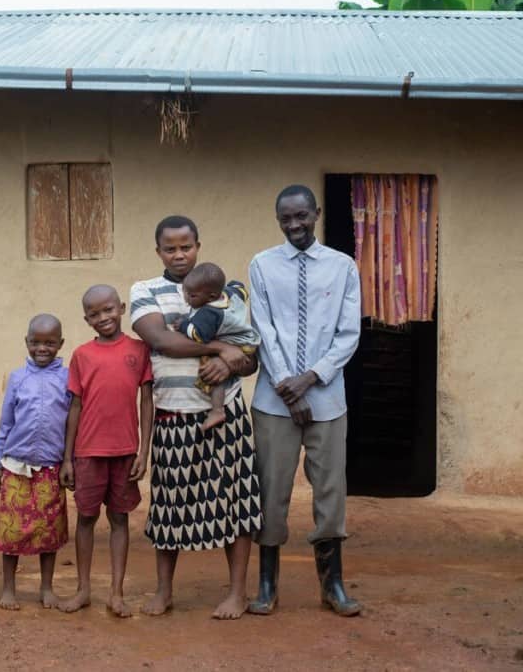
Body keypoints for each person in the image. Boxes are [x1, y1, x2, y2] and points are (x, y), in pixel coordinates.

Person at [129, 215, 262, 620]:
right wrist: (220, 349)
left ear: (198, 246)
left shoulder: (221, 291)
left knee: (236, 504)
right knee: (168, 505)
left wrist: (231, 363)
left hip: (226, 414)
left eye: (186, 246)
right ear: (158, 252)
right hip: (172, 413)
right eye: (170, 248)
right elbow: (161, 339)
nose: (179, 254)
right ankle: (164, 591)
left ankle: (237, 592)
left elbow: (249, 355)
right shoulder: (145, 290)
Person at [247, 184, 363, 617]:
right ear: (278, 220)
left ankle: (332, 585)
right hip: (274, 401)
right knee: (271, 491)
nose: (294, 224)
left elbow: (348, 334)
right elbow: (264, 329)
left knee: (331, 492)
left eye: (301, 216)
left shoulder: (343, 266)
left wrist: (310, 379)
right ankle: (266, 585)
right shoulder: (262, 265)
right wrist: (286, 386)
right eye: (285, 218)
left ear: (315, 213)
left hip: (328, 399)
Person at [58, 285, 153, 618]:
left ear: (122, 308)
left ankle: (116, 593)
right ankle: (83, 589)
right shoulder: (82, 355)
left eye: (109, 310)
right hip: (87, 452)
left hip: (125, 451)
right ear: (86, 320)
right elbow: (75, 407)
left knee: (119, 519)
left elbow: (146, 400)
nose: (104, 318)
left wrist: (144, 450)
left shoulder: (139, 350)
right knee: (85, 518)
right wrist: (67, 458)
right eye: (95, 314)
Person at [0, 314, 71, 611]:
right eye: (36, 342)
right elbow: (6, 421)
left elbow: (73, 421)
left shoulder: (67, 378)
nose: (42, 348)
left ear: (60, 344)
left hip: (51, 467)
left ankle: (46, 587)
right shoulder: (17, 378)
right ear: (27, 342)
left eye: (50, 343)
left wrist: (68, 462)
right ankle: (9, 588)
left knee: (48, 530)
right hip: (16, 466)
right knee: (12, 531)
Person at [172, 262, 261, 431]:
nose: (186, 298)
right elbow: (240, 288)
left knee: (212, 368)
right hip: (248, 341)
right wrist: (235, 286)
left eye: (192, 296)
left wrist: (183, 325)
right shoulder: (229, 293)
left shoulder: (208, 313)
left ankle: (217, 410)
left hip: (237, 346)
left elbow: (198, 334)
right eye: (185, 292)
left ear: (211, 297)